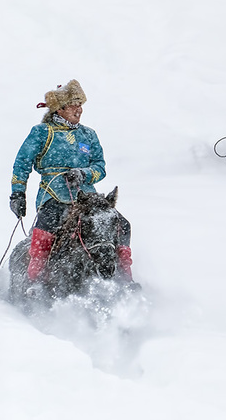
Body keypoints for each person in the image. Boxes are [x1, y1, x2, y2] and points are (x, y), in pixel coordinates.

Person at [9, 80, 134, 286]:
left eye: (80, 105)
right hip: (53, 196)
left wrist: (84, 174)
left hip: (87, 198)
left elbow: (100, 167)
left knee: (123, 225)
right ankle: (34, 283)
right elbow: (21, 164)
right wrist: (17, 193)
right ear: (60, 108)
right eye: (73, 105)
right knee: (44, 232)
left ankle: (125, 279)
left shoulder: (89, 135)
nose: (79, 109)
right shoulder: (42, 132)